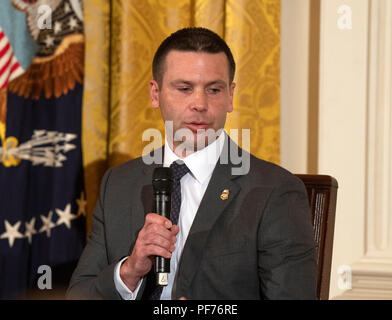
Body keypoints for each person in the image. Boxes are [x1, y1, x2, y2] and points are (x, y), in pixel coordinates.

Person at [66, 27, 317, 300]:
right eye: (184, 88)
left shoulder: (274, 190)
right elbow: (79, 294)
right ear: (155, 93)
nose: (200, 103)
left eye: (214, 89)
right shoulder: (119, 183)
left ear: (230, 96)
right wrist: (129, 271)